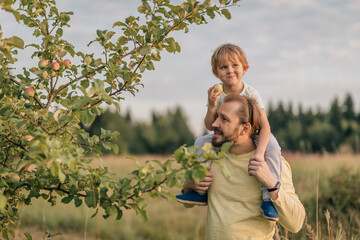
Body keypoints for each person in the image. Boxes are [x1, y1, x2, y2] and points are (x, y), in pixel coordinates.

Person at [176, 43, 281, 221]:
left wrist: (260, 153)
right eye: (224, 67)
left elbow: (265, 126)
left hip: (252, 134)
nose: (230, 71)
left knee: (273, 146)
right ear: (217, 73)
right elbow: (211, 125)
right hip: (225, 135)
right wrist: (211, 105)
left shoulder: (251, 93)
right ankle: (200, 191)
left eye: (235, 66)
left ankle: (268, 199)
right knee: (201, 142)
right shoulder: (217, 93)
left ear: (245, 69)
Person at [181, 95, 305, 239]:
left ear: (245, 128)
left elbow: (295, 224)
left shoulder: (272, 165)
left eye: (224, 119)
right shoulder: (210, 159)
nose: (214, 124)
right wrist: (189, 185)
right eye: (216, 117)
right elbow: (188, 204)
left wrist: (271, 184)